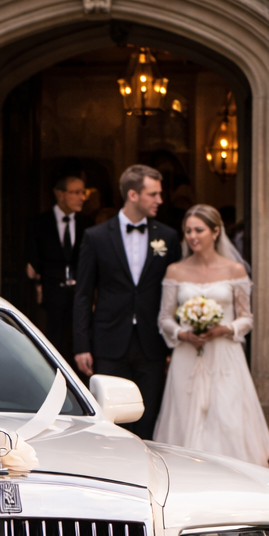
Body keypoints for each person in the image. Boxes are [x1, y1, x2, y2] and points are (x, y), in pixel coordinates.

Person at [153, 204, 269, 467]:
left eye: (199, 230)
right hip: (187, 354)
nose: (193, 236)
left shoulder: (235, 270)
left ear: (215, 232)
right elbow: (164, 318)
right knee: (185, 415)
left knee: (227, 413)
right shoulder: (175, 270)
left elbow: (246, 318)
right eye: (188, 231)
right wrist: (183, 333)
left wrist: (225, 329)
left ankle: (232, 472)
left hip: (224, 354)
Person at [72, 164, 180, 439]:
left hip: (152, 342)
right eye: (153, 194)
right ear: (133, 194)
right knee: (111, 422)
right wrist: (82, 344)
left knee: (148, 418)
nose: (160, 200)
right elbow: (84, 294)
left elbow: (176, 292)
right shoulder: (95, 237)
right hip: (108, 341)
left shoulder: (167, 237)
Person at [24, 175, 91, 366]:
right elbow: (33, 262)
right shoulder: (38, 223)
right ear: (60, 194)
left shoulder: (88, 224)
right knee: (52, 345)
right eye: (76, 192)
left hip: (79, 296)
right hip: (49, 298)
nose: (82, 197)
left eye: (83, 192)